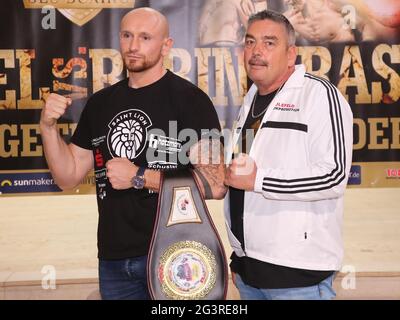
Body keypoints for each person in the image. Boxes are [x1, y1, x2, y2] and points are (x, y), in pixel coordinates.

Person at [40, 7, 226, 300]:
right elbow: (67, 176)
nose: (133, 45)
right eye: (126, 35)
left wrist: (139, 176)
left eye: (145, 37)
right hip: (114, 259)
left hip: (176, 255)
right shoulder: (100, 104)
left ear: (166, 45)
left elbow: (215, 183)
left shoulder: (192, 101)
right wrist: (48, 128)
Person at [224, 10, 353, 300]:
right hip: (249, 273)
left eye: (270, 43)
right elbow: (244, 179)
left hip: (298, 277)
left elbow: (333, 177)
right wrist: (239, 257)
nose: (257, 51)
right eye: (250, 42)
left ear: (291, 53)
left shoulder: (318, 95)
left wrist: (260, 181)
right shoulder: (251, 99)